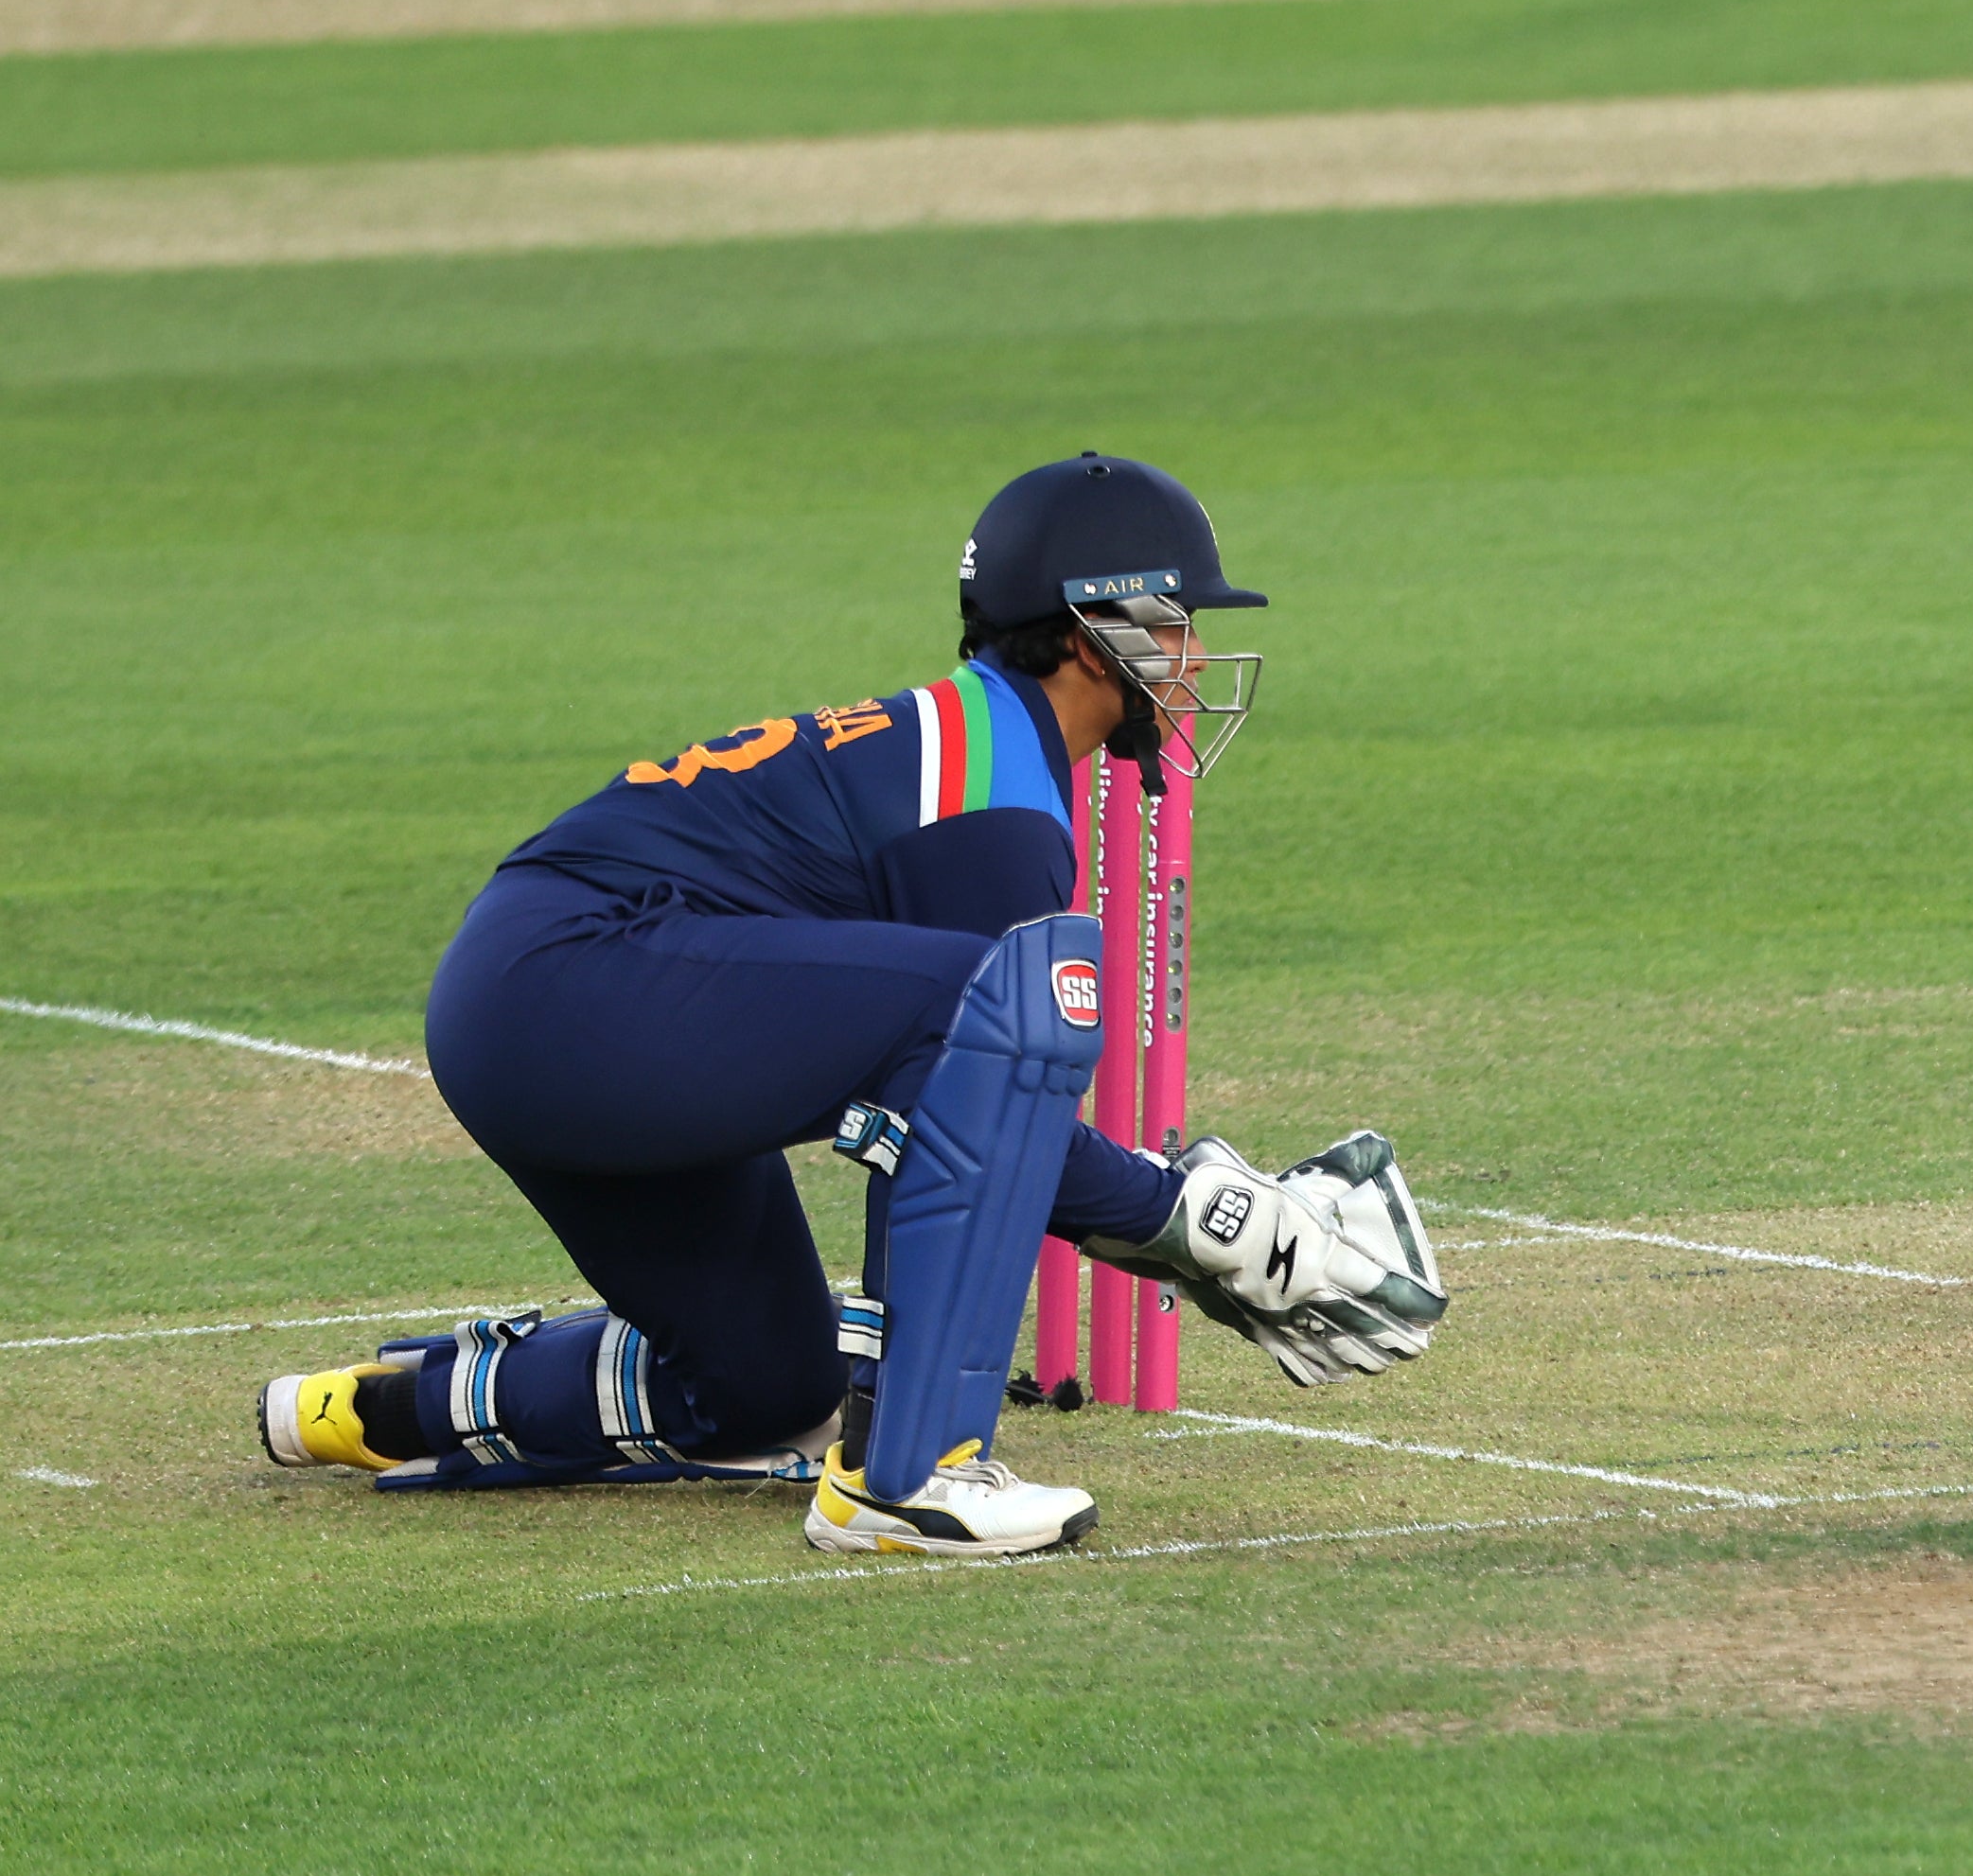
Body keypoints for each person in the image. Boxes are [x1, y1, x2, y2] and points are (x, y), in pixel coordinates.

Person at [255, 453, 1445, 1556]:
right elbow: (990, 1095)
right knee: (991, 1007)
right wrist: (1218, 1222)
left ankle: (377, 1407)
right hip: (577, 984)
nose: (1191, 657)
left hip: (543, 1006)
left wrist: (1185, 1223)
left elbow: (985, 1120)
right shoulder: (994, 799)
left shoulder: (983, 749)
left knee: (764, 1383)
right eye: (1178, 622)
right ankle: (907, 1471)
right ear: (1097, 631)